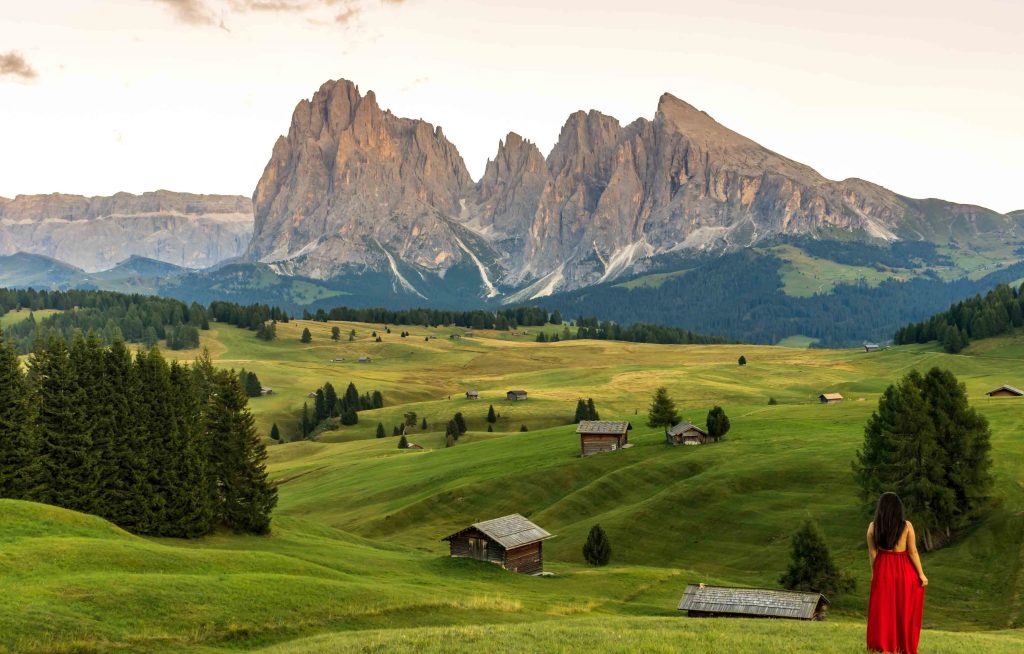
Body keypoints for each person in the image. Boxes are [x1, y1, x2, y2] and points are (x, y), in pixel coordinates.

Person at [866, 492, 927, 654]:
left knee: (885, 610)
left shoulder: (873, 527)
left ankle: (885, 645)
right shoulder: (906, 526)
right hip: (904, 570)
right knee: (904, 610)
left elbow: (873, 554)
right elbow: (913, 552)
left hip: (883, 570)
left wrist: (875, 573)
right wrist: (921, 574)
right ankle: (903, 645)